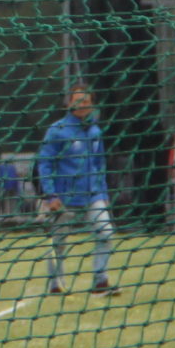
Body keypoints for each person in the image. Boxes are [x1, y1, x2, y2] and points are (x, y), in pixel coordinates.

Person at [37, 85, 117, 296]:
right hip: (65, 198)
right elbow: (45, 164)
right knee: (59, 243)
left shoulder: (95, 131)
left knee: (105, 233)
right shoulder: (57, 131)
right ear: (69, 103)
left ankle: (100, 282)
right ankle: (56, 285)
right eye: (79, 101)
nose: (83, 105)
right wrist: (51, 195)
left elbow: (100, 165)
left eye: (87, 101)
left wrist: (104, 193)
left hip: (93, 195)